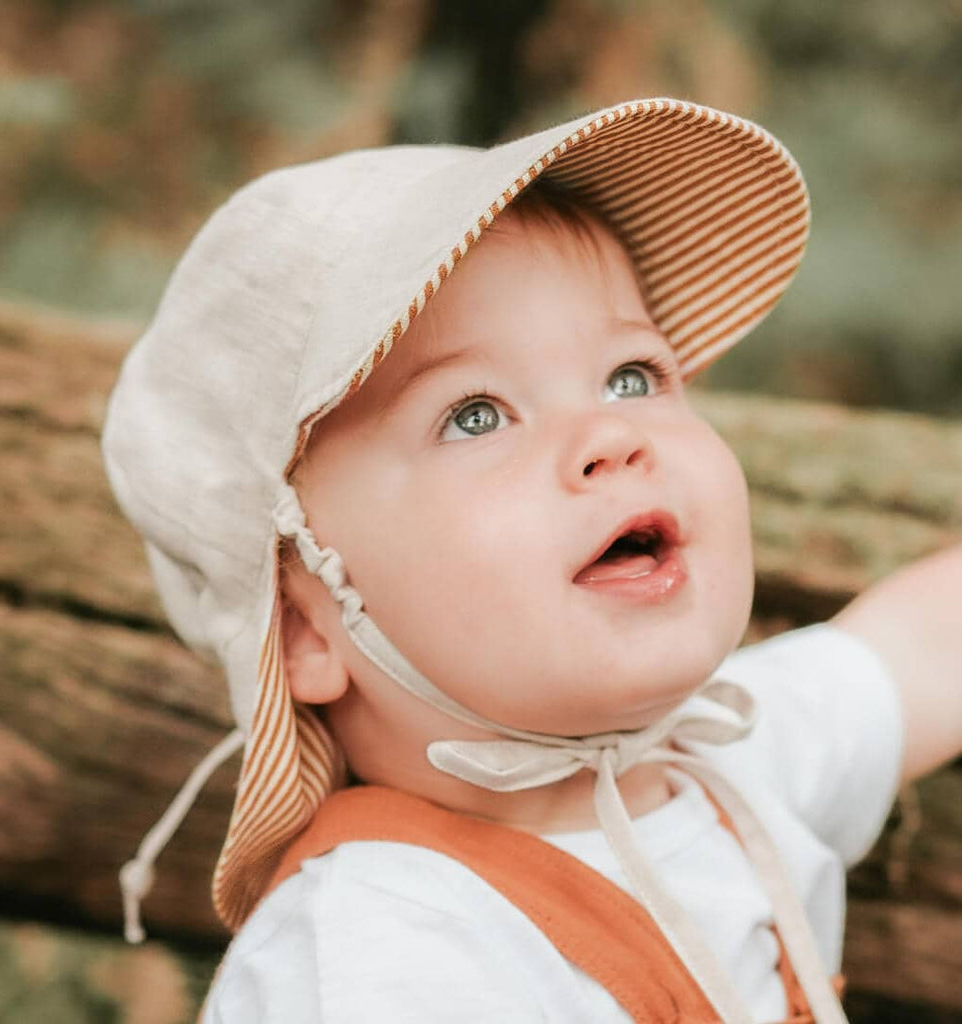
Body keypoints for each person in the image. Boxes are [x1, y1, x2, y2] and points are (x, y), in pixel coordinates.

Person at [101, 98, 961, 1023]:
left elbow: (919, 649)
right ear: (308, 625)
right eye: (475, 415)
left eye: (632, 376)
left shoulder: (719, 765)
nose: (611, 433)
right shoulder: (377, 962)